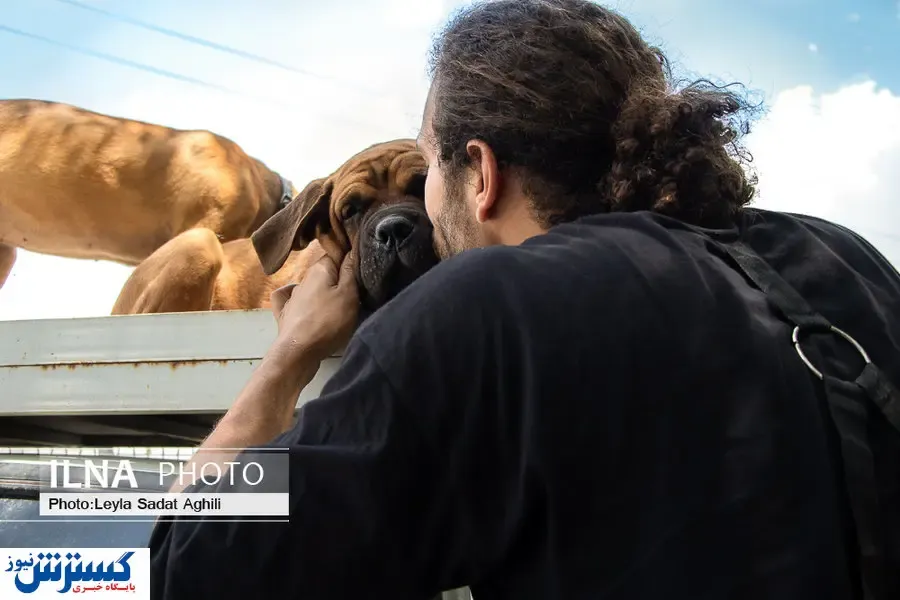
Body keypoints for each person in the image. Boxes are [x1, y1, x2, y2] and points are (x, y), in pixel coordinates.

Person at [148, 1, 900, 599]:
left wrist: (287, 357)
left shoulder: (485, 312)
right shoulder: (841, 255)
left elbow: (186, 565)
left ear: (479, 172)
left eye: (428, 172)